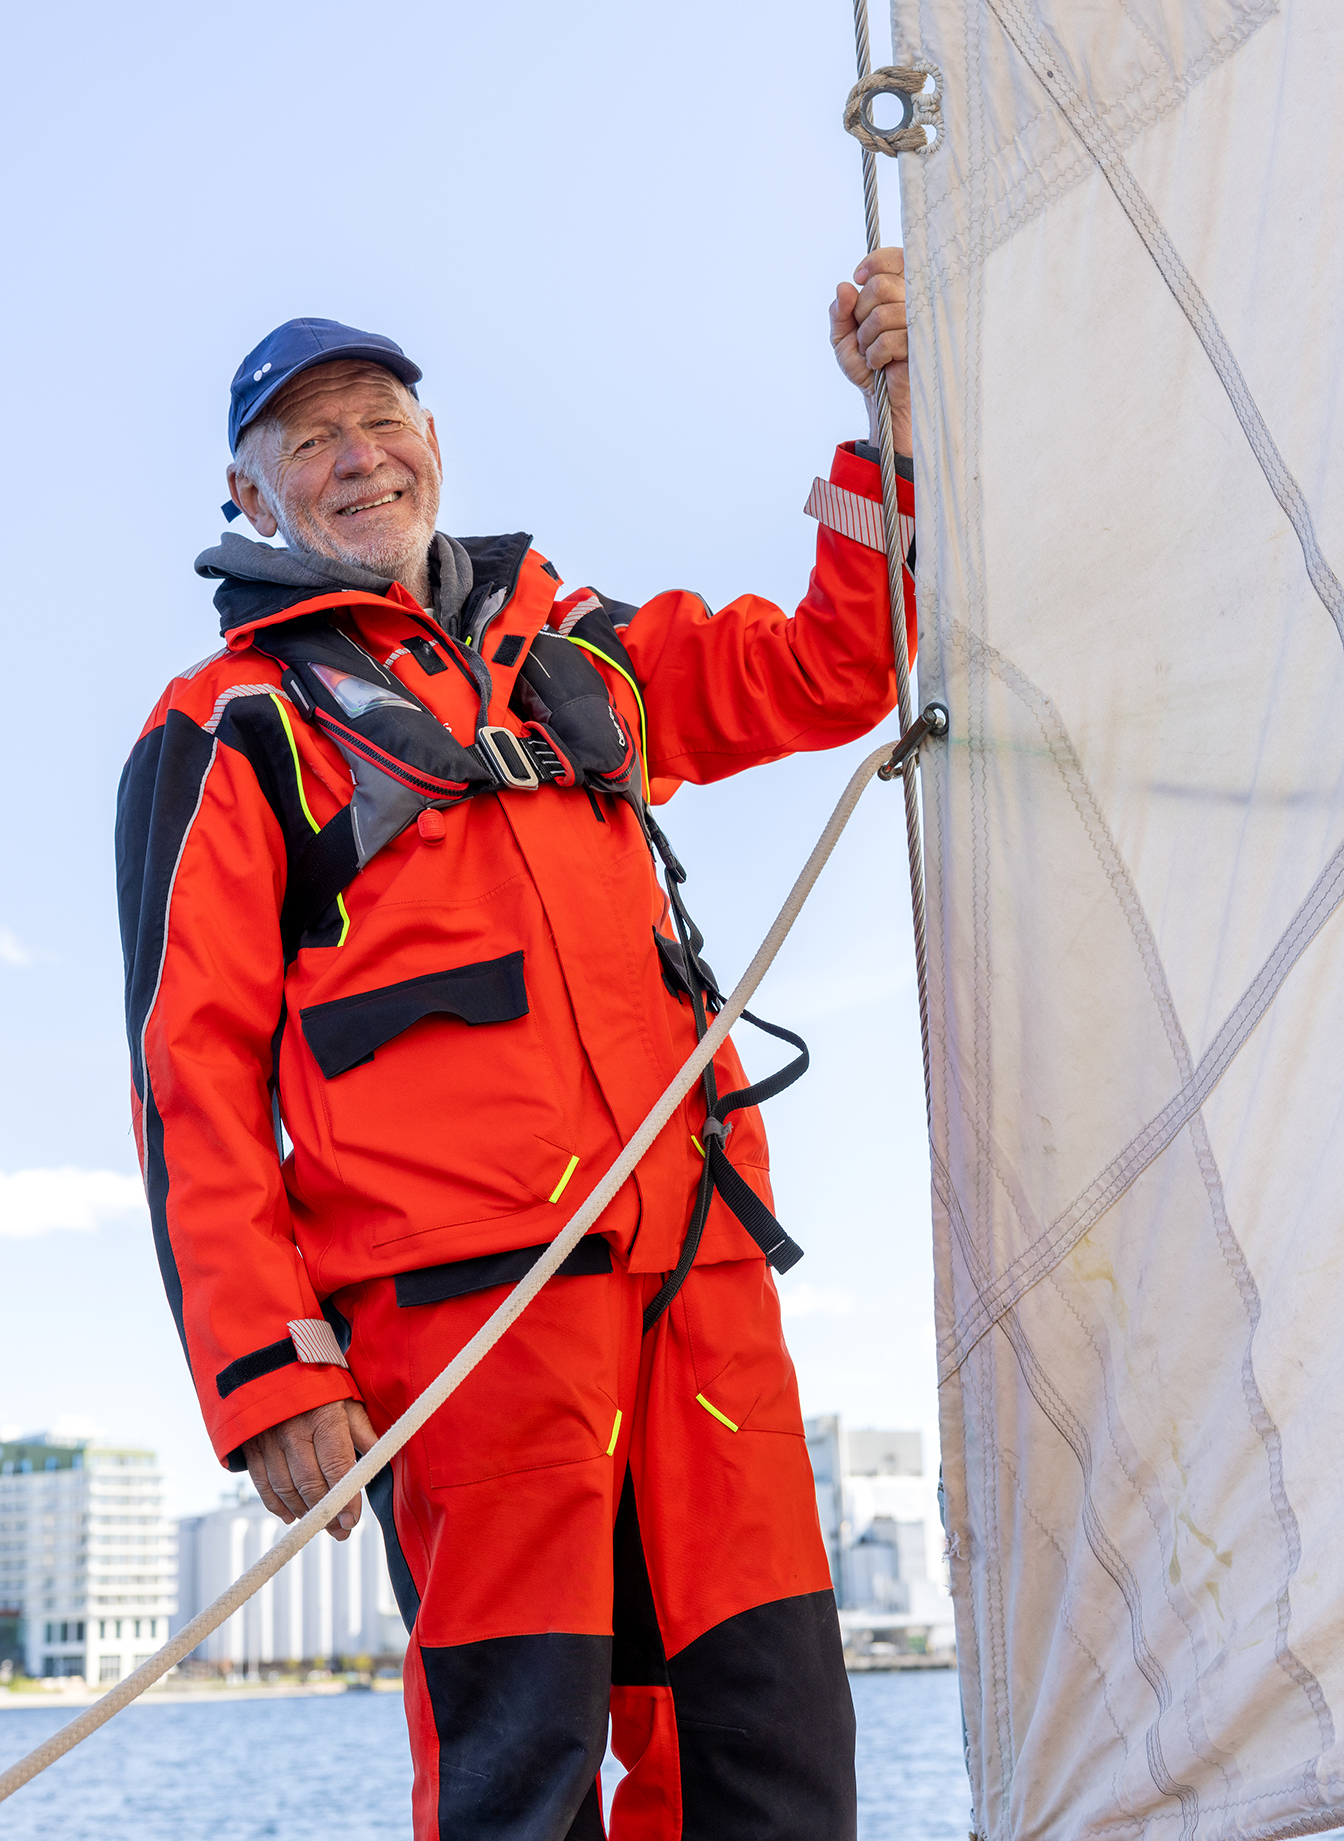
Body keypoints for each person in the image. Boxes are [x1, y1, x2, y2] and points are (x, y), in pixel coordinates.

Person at [117, 250, 914, 1841]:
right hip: (466, 1327)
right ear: (250, 490)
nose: (358, 454)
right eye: (312, 437)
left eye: (381, 417)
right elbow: (186, 1078)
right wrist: (270, 1369)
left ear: (433, 438)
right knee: (518, 1775)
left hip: (697, 1287)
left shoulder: (581, 651)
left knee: (776, 1756)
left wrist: (891, 428)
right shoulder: (226, 726)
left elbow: (837, 666)